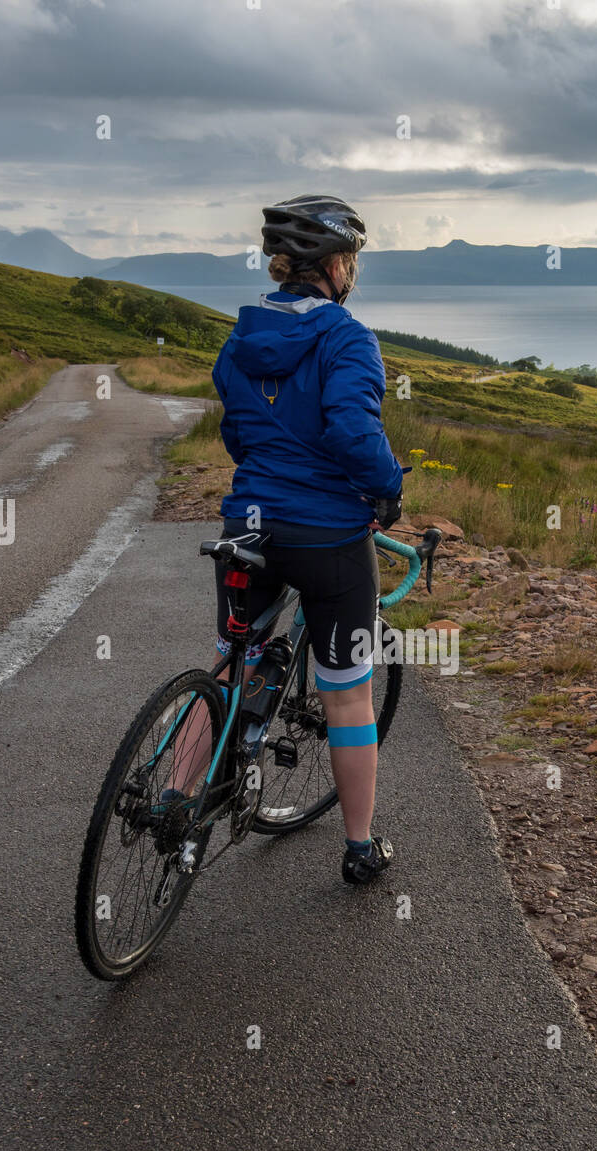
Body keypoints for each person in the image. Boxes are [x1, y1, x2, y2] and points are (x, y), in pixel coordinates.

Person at [210, 194, 404, 884]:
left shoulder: (240, 337)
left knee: (232, 665)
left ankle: (174, 799)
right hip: (326, 535)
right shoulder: (345, 336)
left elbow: (235, 431)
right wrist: (387, 490)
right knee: (347, 694)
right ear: (339, 266)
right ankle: (359, 847)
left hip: (249, 524)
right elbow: (353, 433)